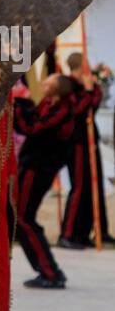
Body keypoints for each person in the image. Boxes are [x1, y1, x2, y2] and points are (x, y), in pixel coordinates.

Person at [13, 71, 93, 288]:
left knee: (23, 218)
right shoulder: (48, 104)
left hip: (38, 169)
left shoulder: (62, 110)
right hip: (33, 166)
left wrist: (15, 105)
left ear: (57, 89)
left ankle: (50, 272)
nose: (44, 83)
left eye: (49, 81)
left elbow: (33, 127)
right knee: (22, 218)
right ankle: (48, 271)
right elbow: (32, 116)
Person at [59, 53, 113, 249]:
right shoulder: (68, 84)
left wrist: (91, 90)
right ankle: (68, 233)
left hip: (89, 140)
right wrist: (90, 92)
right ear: (81, 65)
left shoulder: (85, 84)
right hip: (77, 141)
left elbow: (95, 100)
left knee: (94, 187)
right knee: (80, 187)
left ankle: (85, 232)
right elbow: (79, 109)